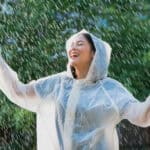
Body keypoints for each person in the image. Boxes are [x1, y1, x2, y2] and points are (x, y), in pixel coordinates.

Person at [0, 29, 149, 150]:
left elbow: (141, 115)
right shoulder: (56, 84)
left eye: (79, 43)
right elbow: (18, 92)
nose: (73, 47)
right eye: (71, 44)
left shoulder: (110, 89)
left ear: (94, 53)